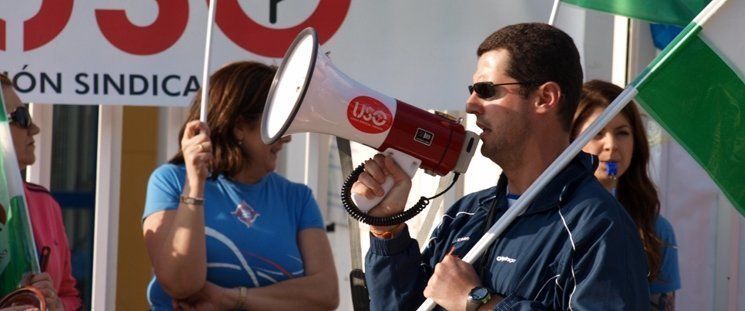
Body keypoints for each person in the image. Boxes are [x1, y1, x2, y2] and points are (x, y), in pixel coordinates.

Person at [354, 23, 649, 310]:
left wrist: (477, 301)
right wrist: (388, 228)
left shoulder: (598, 225)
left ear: (544, 98)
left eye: (486, 90)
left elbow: (468, 299)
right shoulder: (466, 213)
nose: (470, 104)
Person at [142, 61, 338, 310]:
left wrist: (229, 298)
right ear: (239, 128)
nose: (287, 137)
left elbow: (326, 294)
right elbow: (181, 285)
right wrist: (195, 185)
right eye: (278, 124)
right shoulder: (170, 180)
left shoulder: (298, 198)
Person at [571, 79, 680, 310]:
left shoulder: (656, 231)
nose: (611, 145)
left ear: (636, 142)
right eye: (597, 133)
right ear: (570, 140)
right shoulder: (545, 217)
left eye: (622, 133)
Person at [1, 74, 82, 311]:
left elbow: (70, 295)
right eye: (22, 118)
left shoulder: (44, 203)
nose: (35, 129)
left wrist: (56, 304)